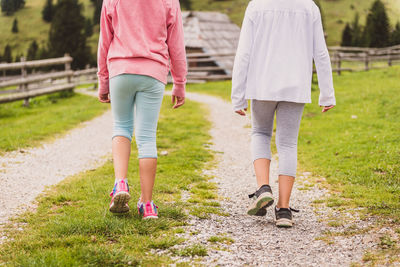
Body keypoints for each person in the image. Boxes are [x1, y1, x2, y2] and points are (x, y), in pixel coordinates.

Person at [231, 0, 336, 227]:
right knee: (288, 143)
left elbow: (244, 54)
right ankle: (285, 210)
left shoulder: (256, 6)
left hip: (262, 84)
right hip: (295, 85)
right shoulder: (309, 7)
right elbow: (321, 52)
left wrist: (237, 95)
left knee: (260, 133)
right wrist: (327, 94)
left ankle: (263, 188)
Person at [97, 0, 187, 219]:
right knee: (147, 137)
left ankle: (120, 185)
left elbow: (105, 40)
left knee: (121, 127)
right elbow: (176, 43)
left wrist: (103, 80)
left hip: (120, 69)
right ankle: (147, 205)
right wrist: (179, 83)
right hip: (153, 71)